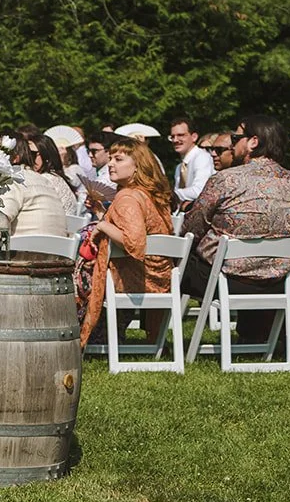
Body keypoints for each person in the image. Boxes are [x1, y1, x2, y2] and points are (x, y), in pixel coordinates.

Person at [181, 114, 290, 344]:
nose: (232, 142)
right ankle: (253, 337)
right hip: (279, 282)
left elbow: (191, 229)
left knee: (175, 261)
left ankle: (162, 342)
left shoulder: (225, 180)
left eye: (236, 137)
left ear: (253, 142)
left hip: (224, 278)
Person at [77, 138, 174, 345]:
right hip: (160, 275)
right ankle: (105, 334)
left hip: (138, 277)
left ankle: (82, 335)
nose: (111, 163)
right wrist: (101, 213)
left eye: (119, 159)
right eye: (110, 158)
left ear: (138, 165)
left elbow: (134, 243)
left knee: (73, 275)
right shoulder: (150, 194)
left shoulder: (128, 197)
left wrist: (102, 226)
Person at [13, 135, 79, 215]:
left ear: (46, 156)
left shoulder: (45, 179)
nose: (28, 159)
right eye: (25, 154)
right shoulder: (54, 176)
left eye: (32, 154)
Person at [168, 117, 213, 209]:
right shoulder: (179, 167)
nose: (175, 140)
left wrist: (169, 195)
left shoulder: (202, 157)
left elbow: (199, 190)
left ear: (194, 137)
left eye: (181, 135)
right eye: (172, 136)